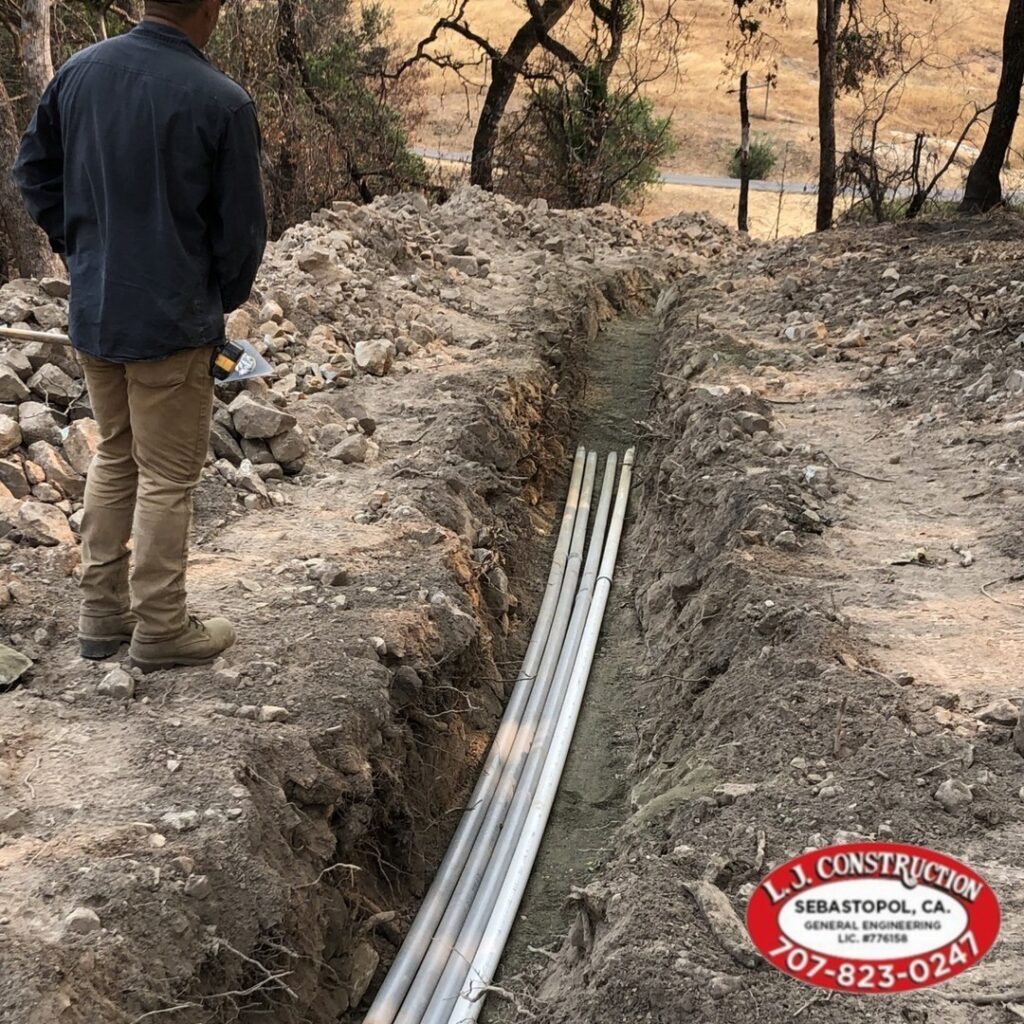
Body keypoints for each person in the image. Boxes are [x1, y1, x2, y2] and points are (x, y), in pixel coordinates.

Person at [14, 0, 267, 672]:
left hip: (97, 314)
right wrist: (216, 299)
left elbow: (33, 173)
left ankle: (102, 617)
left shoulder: (79, 72)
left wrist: (82, 248)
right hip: (172, 323)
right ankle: (160, 627)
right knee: (167, 475)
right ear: (210, 10)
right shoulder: (222, 101)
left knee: (117, 456)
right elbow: (241, 234)